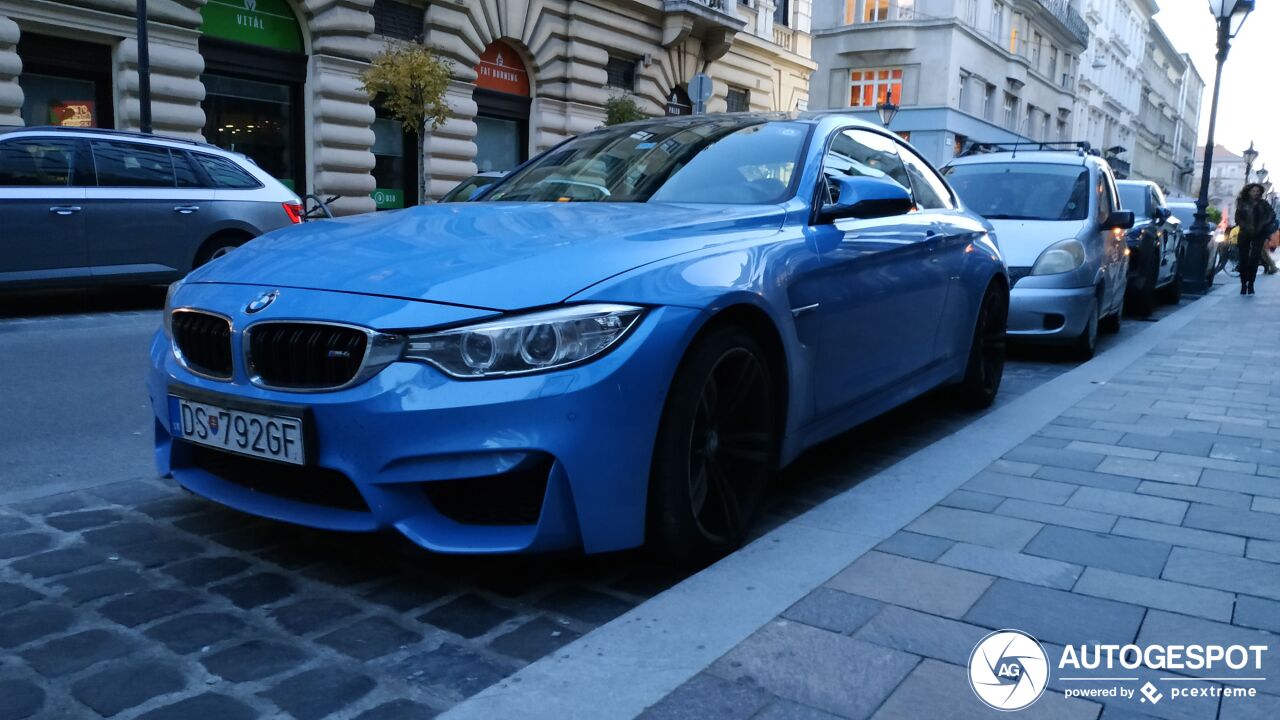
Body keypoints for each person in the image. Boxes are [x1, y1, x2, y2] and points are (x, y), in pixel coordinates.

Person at [1233, 183, 1276, 294]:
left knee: (1254, 259)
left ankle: (1251, 284)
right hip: (1244, 234)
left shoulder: (1264, 204)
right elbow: (1238, 218)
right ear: (1248, 192)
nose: (1256, 193)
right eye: (1254, 191)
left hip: (1259, 234)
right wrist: (1245, 226)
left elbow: (1271, 215)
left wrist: (1263, 224)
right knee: (1243, 260)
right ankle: (1243, 284)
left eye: (1258, 191)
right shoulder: (1242, 203)